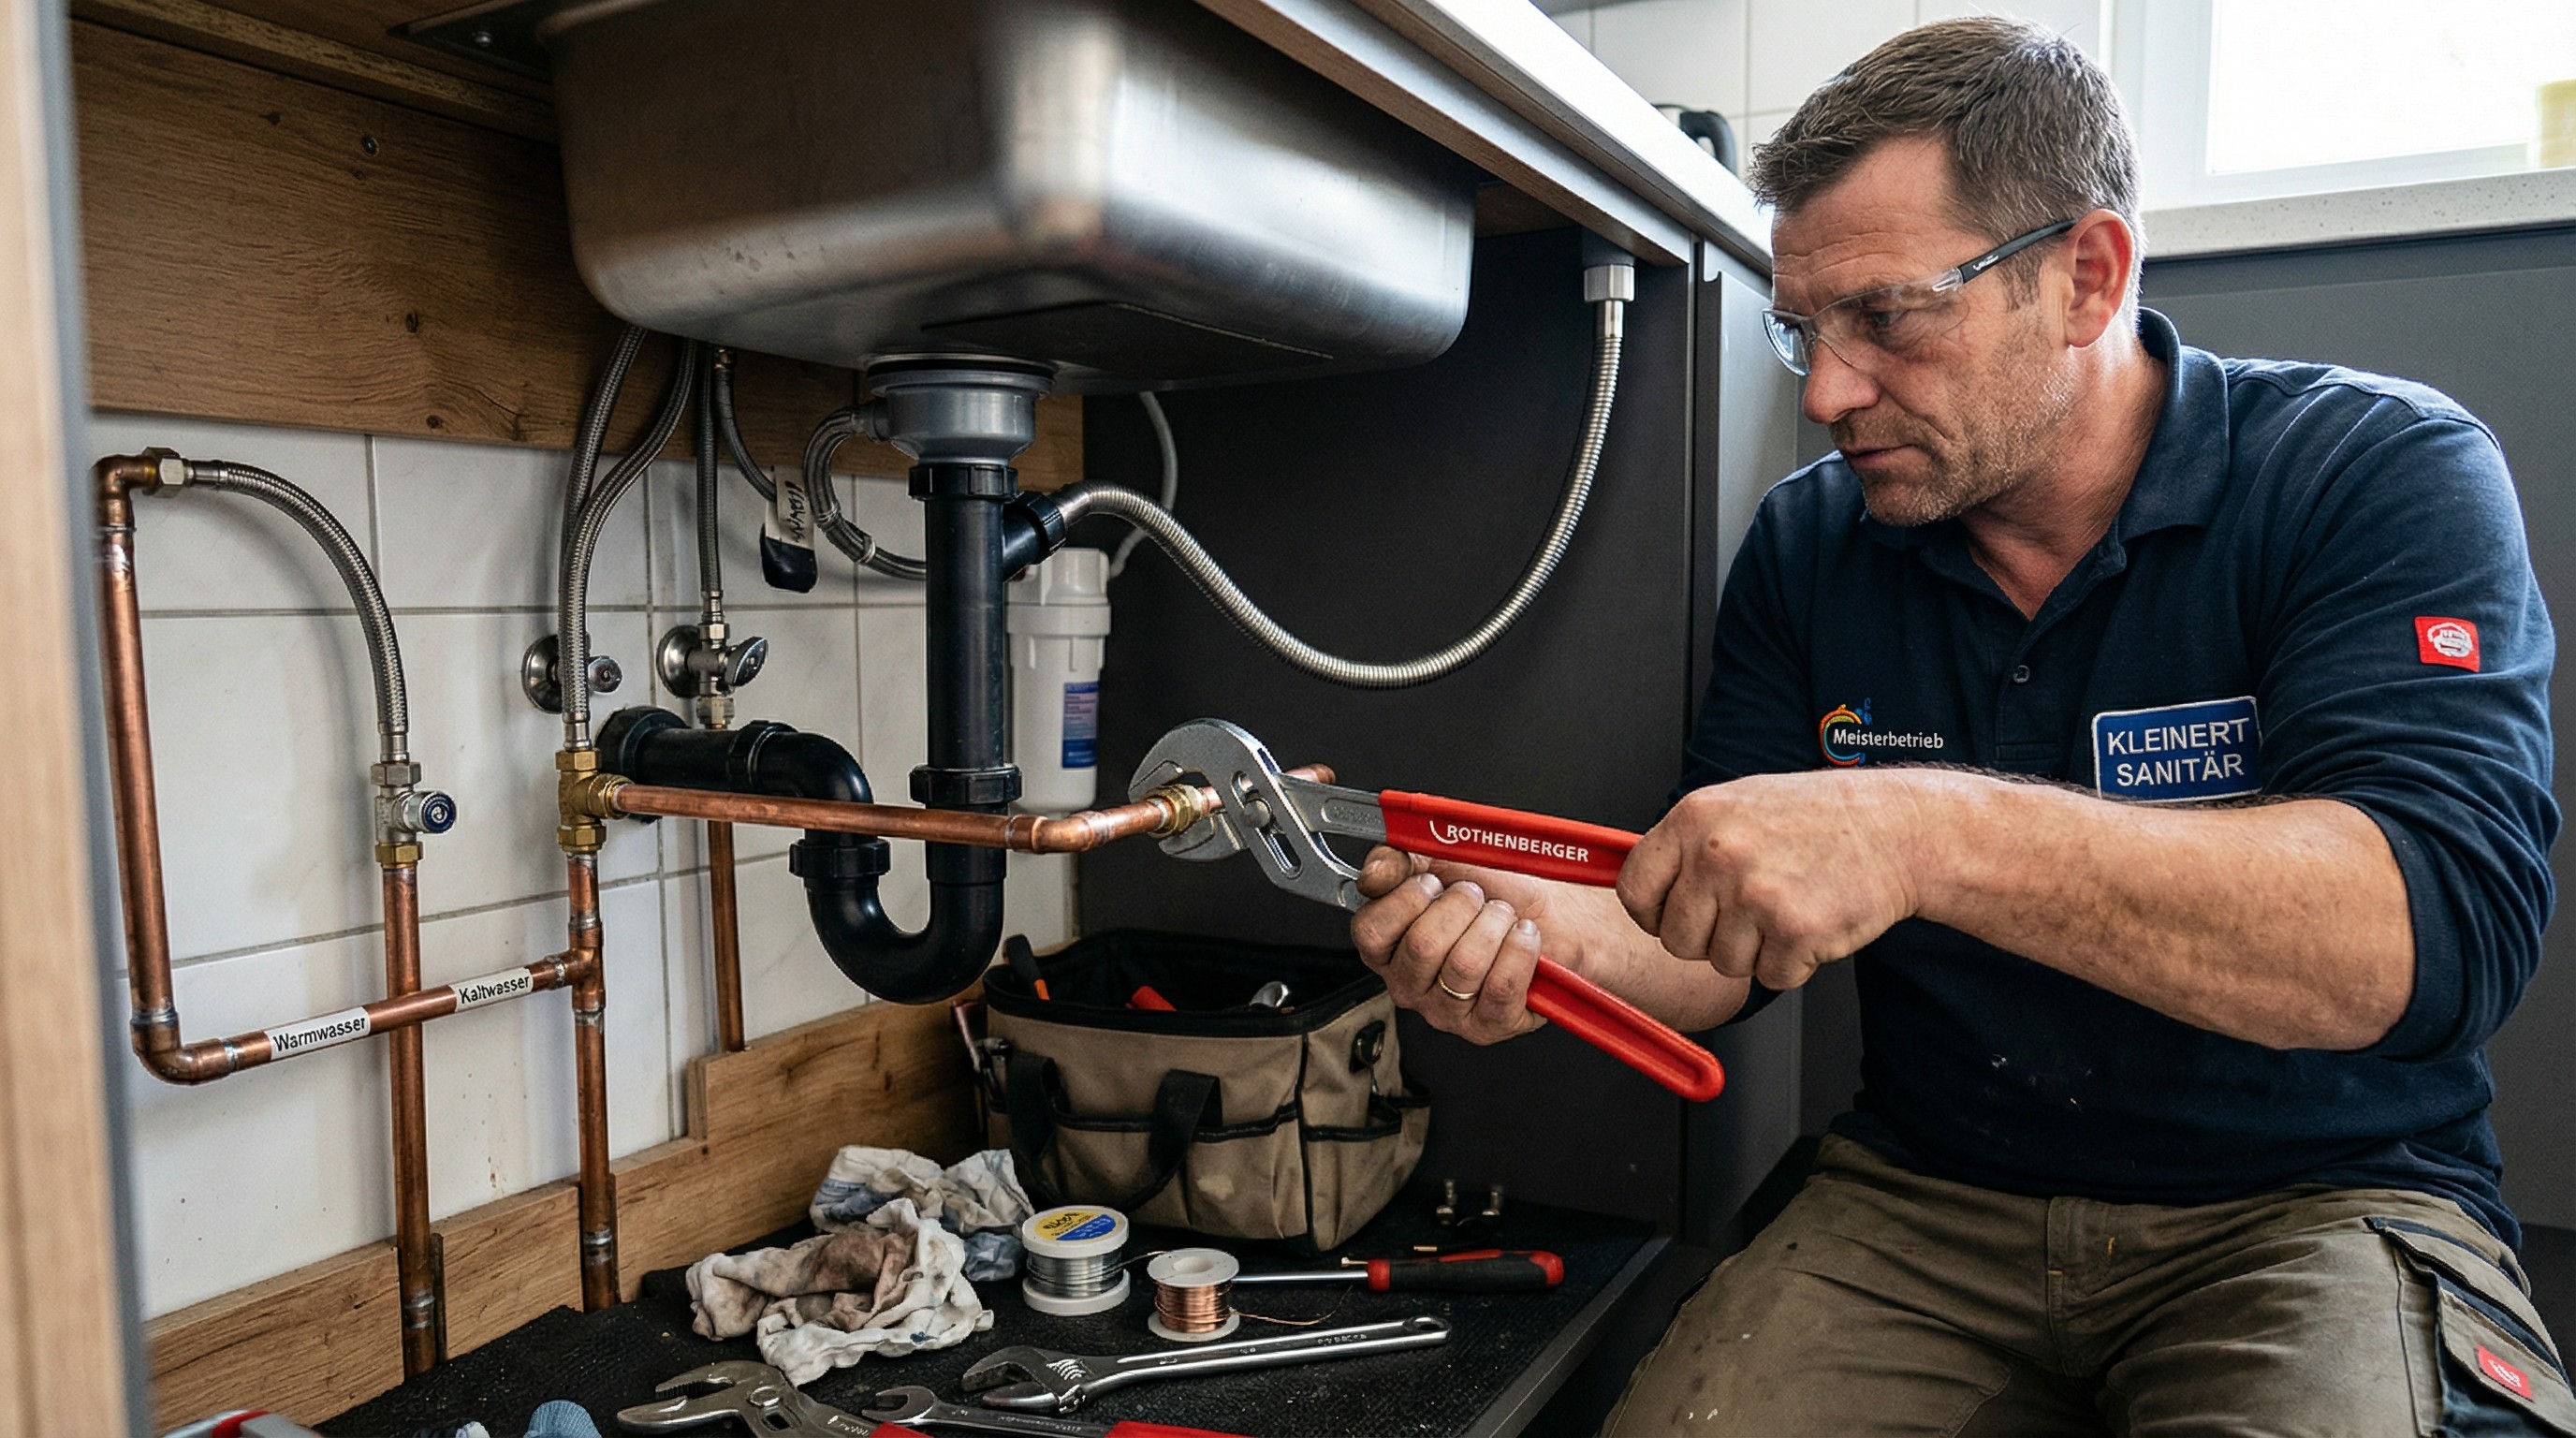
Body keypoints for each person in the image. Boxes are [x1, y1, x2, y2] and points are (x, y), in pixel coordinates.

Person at [1349, 17, 2567, 1434]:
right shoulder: (1814, 545)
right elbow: (1713, 949)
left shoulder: (2375, 475)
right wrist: (1539, 947)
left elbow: (2430, 938)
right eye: (1802, 329)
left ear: (2086, 275)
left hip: (2319, 1205)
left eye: (1887, 316)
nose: (1824, 393)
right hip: (1927, 1198)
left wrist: (1923, 833)